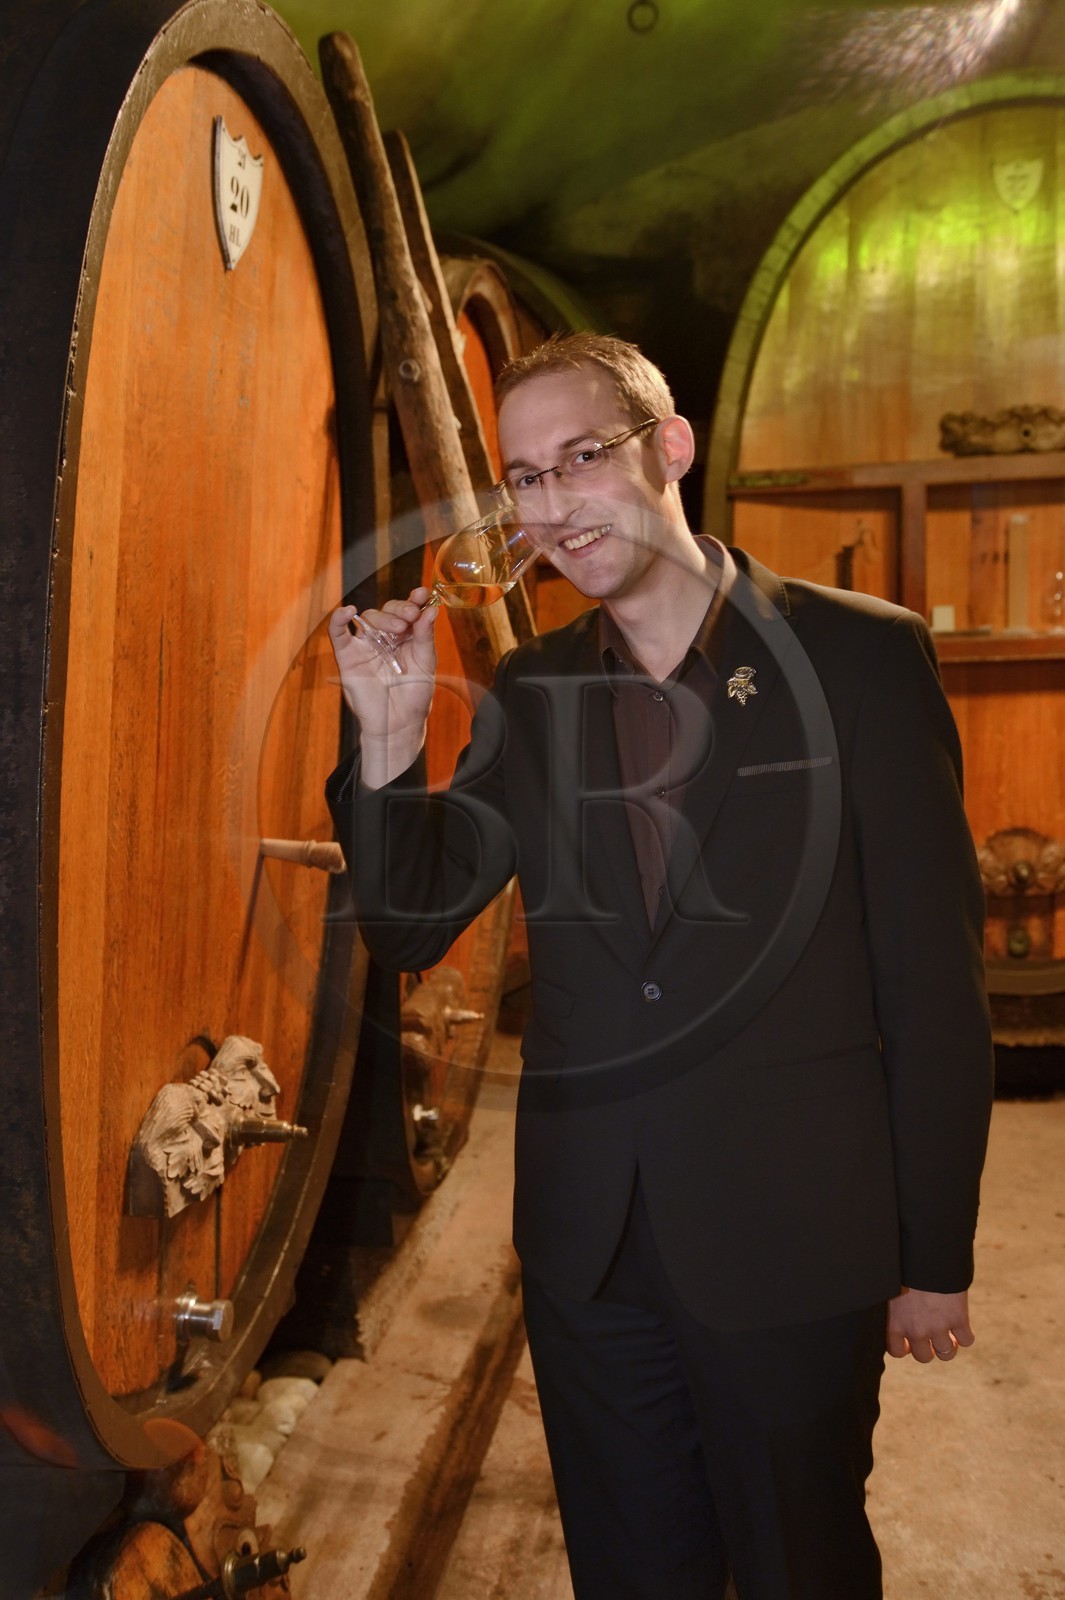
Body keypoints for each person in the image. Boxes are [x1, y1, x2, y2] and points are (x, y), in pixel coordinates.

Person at [326, 333, 993, 1599]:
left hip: (796, 1234)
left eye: (580, 458)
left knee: (801, 1564)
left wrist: (934, 1252)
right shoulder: (531, 691)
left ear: (669, 447)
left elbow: (933, 984)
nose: (554, 504)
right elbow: (411, 925)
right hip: (592, 1246)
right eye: (524, 480)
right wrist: (390, 738)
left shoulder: (858, 658)